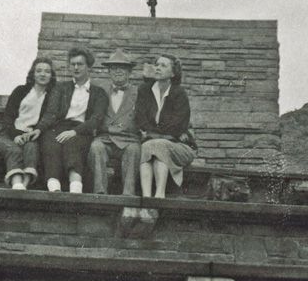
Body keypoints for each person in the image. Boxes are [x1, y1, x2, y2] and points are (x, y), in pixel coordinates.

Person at [25, 47, 108, 193]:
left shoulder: (99, 93)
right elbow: (51, 113)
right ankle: (53, 184)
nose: (76, 67)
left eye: (80, 64)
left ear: (88, 66)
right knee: (50, 140)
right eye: (73, 64)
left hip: (82, 129)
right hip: (59, 127)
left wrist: (75, 131)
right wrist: (39, 128)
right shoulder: (61, 88)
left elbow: (96, 119)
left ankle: (75, 184)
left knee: (72, 143)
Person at [135, 54, 197, 198]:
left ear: (173, 73)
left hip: (180, 146)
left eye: (163, 66)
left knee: (156, 145)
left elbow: (178, 125)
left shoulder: (179, 93)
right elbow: (140, 118)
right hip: (154, 143)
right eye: (157, 65)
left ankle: (159, 195)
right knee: (151, 146)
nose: (158, 68)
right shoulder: (144, 90)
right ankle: (146, 197)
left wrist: (152, 133)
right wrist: (158, 134)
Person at [0, 57, 56, 190]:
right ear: (33, 74)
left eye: (47, 71)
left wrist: (31, 135)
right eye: (39, 71)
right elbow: (8, 117)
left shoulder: (52, 96)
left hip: (31, 136)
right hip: (8, 134)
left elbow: (47, 121)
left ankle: (25, 184)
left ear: (51, 76)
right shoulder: (20, 91)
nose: (43, 74)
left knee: (32, 148)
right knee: (14, 149)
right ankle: (16, 183)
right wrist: (15, 135)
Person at [88, 49, 141, 195]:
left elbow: (145, 117)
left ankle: (128, 194)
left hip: (129, 138)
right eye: (113, 68)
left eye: (122, 68)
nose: (117, 71)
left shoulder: (139, 93)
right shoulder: (100, 91)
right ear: (109, 72)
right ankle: (99, 192)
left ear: (129, 72)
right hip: (105, 137)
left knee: (134, 151)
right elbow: (92, 115)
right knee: (95, 148)